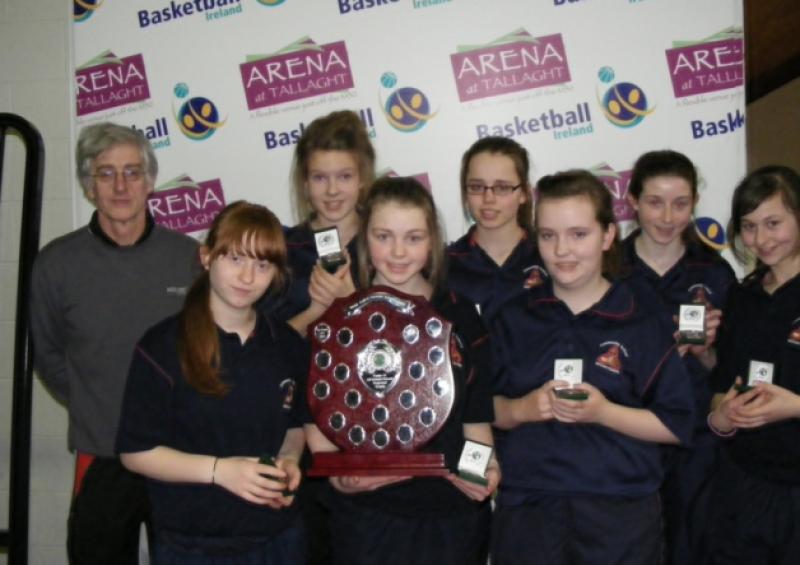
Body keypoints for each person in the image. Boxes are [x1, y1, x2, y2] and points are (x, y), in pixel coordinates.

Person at [490, 170, 695, 565]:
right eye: (549, 236)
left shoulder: (641, 318)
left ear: (607, 236)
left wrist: (605, 412)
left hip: (620, 514)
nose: (562, 250)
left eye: (578, 234)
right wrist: (521, 410)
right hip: (529, 511)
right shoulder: (514, 316)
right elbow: (480, 409)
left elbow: (676, 424)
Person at [305, 177, 500, 565]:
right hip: (367, 519)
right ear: (364, 238)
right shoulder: (337, 319)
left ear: (432, 243)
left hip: (451, 517)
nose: (397, 252)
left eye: (413, 238)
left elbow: (476, 421)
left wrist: (484, 471)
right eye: (383, 236)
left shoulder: (460, 317)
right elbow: (318, 417)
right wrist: (340, 478)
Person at [30, 122, 198, 564]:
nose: (121, 186)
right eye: (106, 174)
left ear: (150, 180)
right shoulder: (56, 264)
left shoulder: (189, 259)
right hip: (101, 455)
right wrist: (94, 402)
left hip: (179, 455)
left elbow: (205, 350)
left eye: (132, 171)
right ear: (89, 186)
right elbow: (48, 355)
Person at [116, 201, 308, 563]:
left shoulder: (286, 343)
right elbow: (136, 453)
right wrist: (221, 472)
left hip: (278, 538)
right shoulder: (162, 346)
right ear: (206, 258)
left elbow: (294, 424)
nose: (248, 277)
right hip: (194, 543)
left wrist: (288, 460)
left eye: (262, 264)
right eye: (235, 259)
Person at [621, 150, 735, 565]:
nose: (668, 217)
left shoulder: (715, 272)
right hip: (624, 435)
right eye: (655, 202)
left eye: (680, 203)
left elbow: (725, 373)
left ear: (694, 204)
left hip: (694, 441)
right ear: (632, 201)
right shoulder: (608, 269)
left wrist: (706, 352)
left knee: (693, 547)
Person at [707, 166, 800, 565]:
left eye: (773, 223)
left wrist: (793, 406)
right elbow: (720, 387)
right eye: (749, 226)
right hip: (743, 486)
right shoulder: (742, 296)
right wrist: (723, 416)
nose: (761, 239)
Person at [267, 109, 376, 336]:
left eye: (344, 176)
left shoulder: (387, 243)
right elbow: (269, 352)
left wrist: (349, 301)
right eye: (320, 178)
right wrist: (318, 309)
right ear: (305, 182)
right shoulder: (282, 250)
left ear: (362, 178)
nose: (332, 190)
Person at [447, 136, 543, 321]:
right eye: (476, 186)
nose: (488, 198)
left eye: (502, 187)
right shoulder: (445, 267)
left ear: (524, 193)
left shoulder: (548, 256)